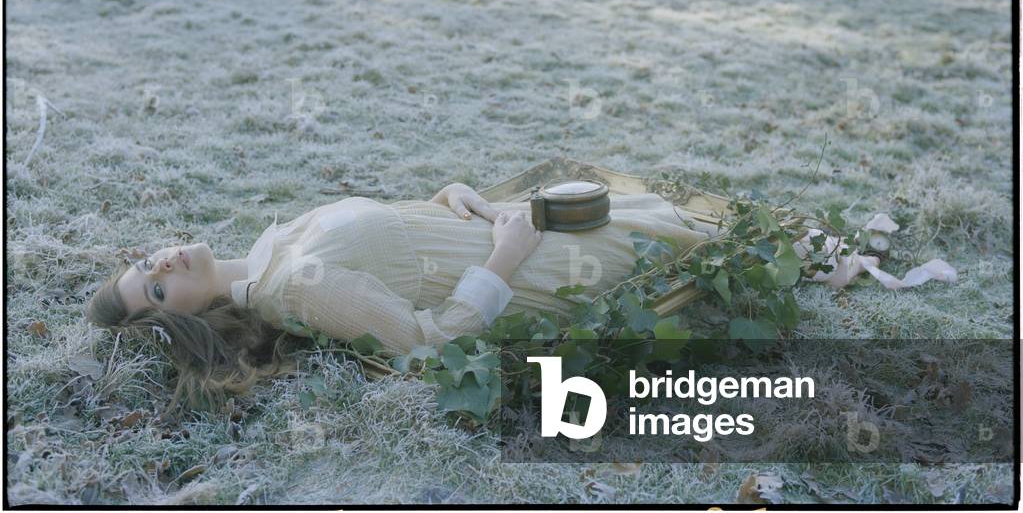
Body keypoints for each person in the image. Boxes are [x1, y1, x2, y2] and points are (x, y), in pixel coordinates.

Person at [86, 182, 716, 413]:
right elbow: (430, 340)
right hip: (532, 270)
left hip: (504, 227)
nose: (163, 262)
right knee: (694, 241)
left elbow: (390, 235)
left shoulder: (269, 245)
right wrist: (508, 255)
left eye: (147, 264)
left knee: (657, 212)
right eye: (159, 289)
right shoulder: (293, 288)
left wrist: (451, 194)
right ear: (190, 317)